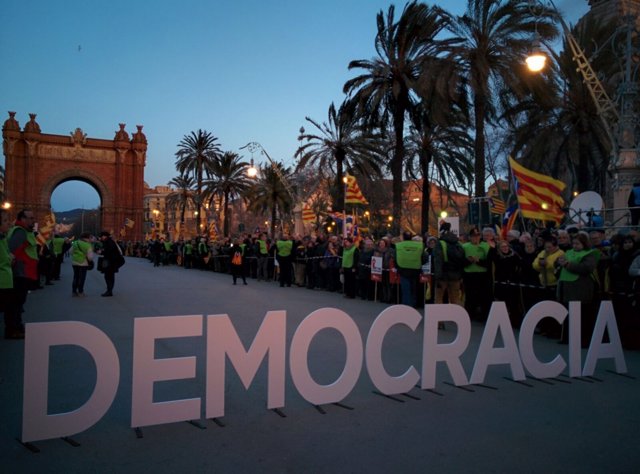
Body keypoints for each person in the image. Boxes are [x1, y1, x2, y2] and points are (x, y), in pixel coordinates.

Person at [555, 233, 599, 346]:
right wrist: (559, 262)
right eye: (573, 243)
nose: (575, 246)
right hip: (567, 288)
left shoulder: (590, 254)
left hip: (581, 289)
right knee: (567, 315)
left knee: (582, 316)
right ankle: (566, 338)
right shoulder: (569, 252)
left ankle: (584, 340)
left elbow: (586, 268)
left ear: (584, 244)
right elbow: (560, 263)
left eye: (578, 244)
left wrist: (568, 264)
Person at [7, 209, 39, 339]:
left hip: (24, 272)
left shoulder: (25, 232)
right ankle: (13, 328)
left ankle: (17, 326)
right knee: (16, 302)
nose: (33, 220)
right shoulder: (20, 232)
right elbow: (11, 250)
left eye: (33, 218)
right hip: (20, 272)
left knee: (19, 301)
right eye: (30, 218)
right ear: (22, 219)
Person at [0, 208, 18, 339]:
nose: (9, 223)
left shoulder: (3, 238)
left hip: (6, 279)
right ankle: (10, 330)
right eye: (5, 221)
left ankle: (11, 329)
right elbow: (7, 258)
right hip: (3, 280)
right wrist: (10, 258)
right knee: (8, 308)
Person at [395, 231, 424, 308]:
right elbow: (424, 257)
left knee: (406, 290)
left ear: (403, 237)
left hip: (403, 270)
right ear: (411, 237)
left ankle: (406, 307)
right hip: (415, 270)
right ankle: (413, 305)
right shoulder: (419, 245)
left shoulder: (398, 245)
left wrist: (397, 267)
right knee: (413, 289)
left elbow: (395, 258)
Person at [97, 231, 124, 296]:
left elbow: (109, 252)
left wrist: (101, 252)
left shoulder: (109, 242)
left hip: (110, 262)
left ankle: (109, 291)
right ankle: (109, 290)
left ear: (105, 236)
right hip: (110, 261)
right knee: (109, 276)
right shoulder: (109, 241)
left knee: (108, 276)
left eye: (102, 236)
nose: (101, 238)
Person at [71, 232, 94, 296]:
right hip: (83, 263)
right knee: (82, 278)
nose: (90, 239)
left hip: (75, 262)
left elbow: (70, 252)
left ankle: (74, 291)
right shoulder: (88, 245)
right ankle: (80, 292)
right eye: (90, 237)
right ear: (87, 238)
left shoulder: (75, 243)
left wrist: (76, 255)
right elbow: (90, 258)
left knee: (76, 277)